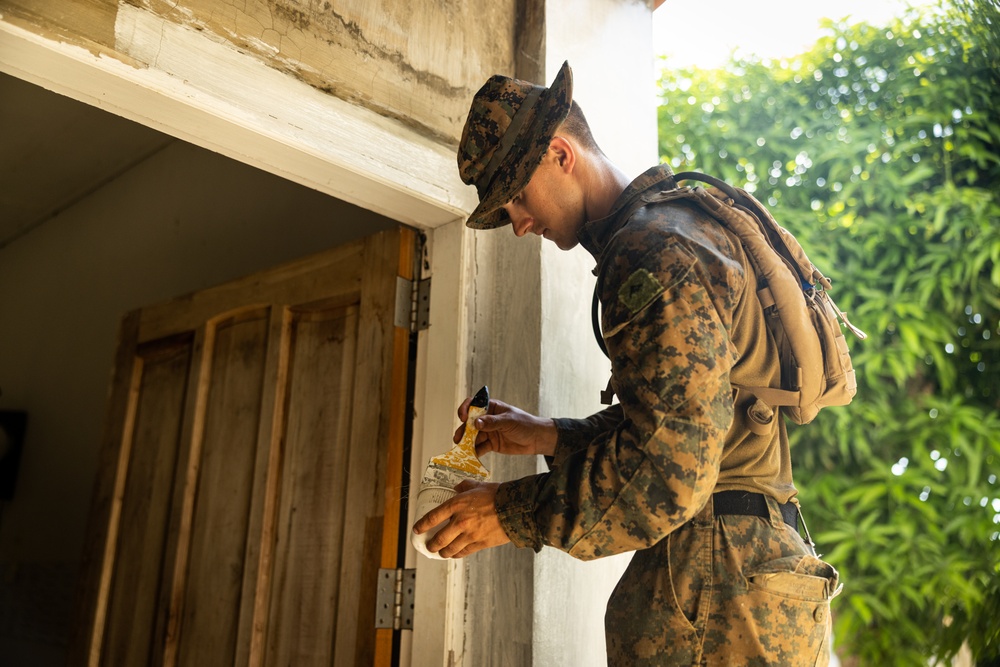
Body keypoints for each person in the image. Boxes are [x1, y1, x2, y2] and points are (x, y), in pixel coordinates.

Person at [412, 61, 840, 666]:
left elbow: (671, 472)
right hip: (739, 575)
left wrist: (507, 512)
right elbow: (688, 423)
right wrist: (553, 436)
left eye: (515, 196)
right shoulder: (674, 228)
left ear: (561, 154)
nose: (518, 224)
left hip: (720, 586)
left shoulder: (652, 251)